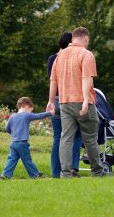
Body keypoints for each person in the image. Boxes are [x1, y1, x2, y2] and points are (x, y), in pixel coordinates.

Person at [46, 26, 105, 177]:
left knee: (66, 137)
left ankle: (65, 173)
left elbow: (53, 80)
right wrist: (86, 99)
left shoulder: (60, 56)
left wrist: (51, 101)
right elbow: (87, 78)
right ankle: (97, 171)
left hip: (64, 102)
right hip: (82, 102)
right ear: (85, 39)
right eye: (88, 41)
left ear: (73, 38)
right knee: (90, 138)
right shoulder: (86, 54)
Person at [47, 32, 83, 178]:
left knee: (58, 138)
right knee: (76, 135)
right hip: (72, 99)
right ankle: (72, 168)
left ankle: (56, 172)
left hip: (56, 99)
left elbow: (52, 81)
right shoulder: (75, 57)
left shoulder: (52, 59)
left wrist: (50, 101)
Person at [1, 97, 54, 179]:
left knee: (11, 159)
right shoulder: (26, 115)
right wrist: (49, 113)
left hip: (14, 143)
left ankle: (5, 175)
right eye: (30, 110)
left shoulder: (12, 116)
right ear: (26, 106)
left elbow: (7, 129)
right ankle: (35, 175)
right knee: (27, 160)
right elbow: (38, 116)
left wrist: (14, 134)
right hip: (22, 143)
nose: (31, 112)